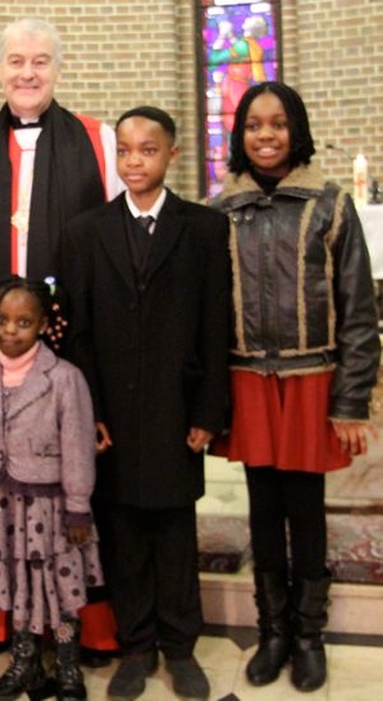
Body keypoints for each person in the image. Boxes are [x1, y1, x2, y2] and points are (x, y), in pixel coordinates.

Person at [0, 17, 121, 662]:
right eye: (16, 61)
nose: (27, 73)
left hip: (75, 359)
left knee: (70, 490)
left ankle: (81, 629)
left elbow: (121, 248)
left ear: (57, 70)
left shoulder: (98, 141)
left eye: (40, 62)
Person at [209, 82, 380, 693]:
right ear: (239, 135)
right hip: (247, 377)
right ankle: (272, 630)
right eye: (253, 125)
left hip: (311, 378)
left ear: (296, 129)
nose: (266, 135)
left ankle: (309, 634)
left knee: (304, 507)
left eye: (278, 124)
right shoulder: (220, 211)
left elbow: (357, 308)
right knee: (262, 506)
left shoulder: (329, 206)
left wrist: (351, 400)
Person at [63, 106, 230, 701]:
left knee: (174, 531)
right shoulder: (86, 232)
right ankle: (137, 647)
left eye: (149, 150)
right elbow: (78, 332)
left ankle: (181, 647)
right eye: (126, 150)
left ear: (172, 155)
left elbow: (215, 325)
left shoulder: (205, 228)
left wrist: (209, 412)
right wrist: (91, 412)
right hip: (112, 413)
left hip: (175, 407)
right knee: (123, 532)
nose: (136, 161)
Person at [0, 276, 102, 701]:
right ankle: (24, 661)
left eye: (23, 322)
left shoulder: (64, 378)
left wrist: (78, 505)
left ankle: (67, 665)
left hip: (50, 506)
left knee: (59, 587)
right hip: (1, 504)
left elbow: (79, 445)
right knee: (18, 584)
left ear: (43, 324)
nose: (11, 330)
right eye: (3, 321)